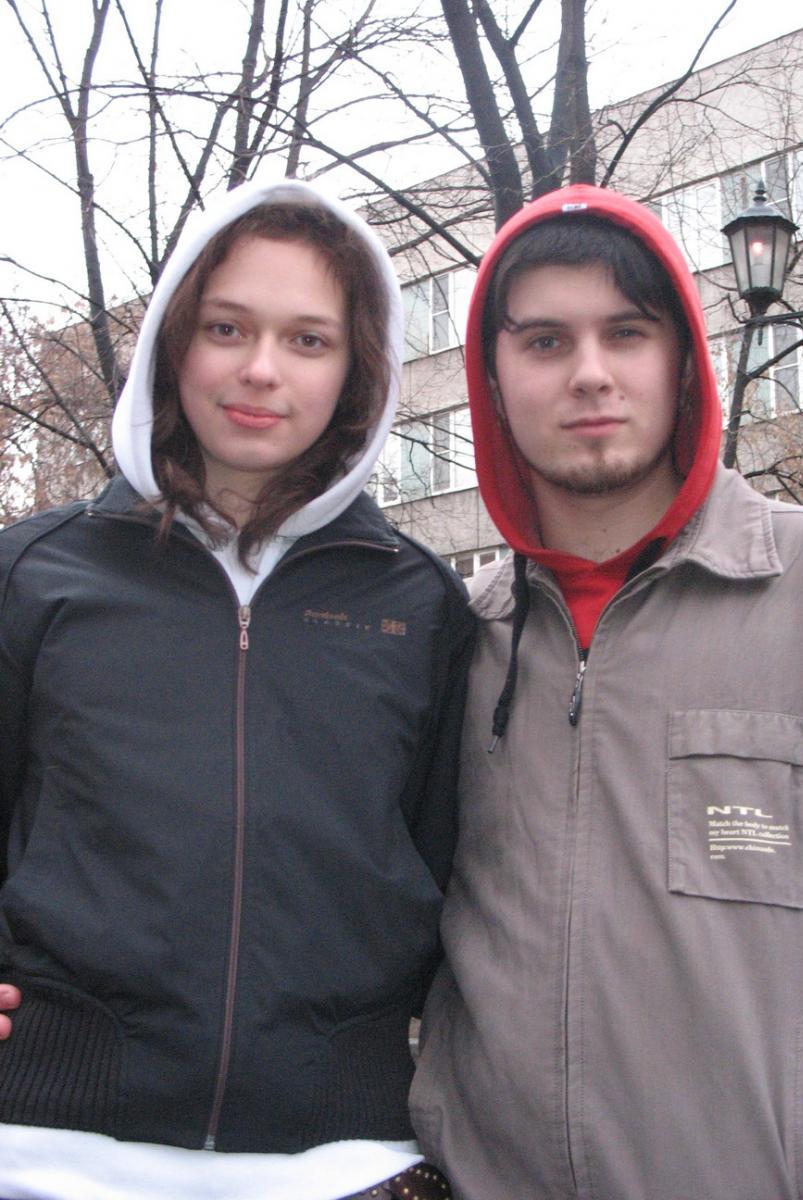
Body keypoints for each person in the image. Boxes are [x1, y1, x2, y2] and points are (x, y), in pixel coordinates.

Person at [408, 184, 803, 1199]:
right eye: (545, 342)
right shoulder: (460, 642)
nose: (590, 372)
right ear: (492, 381)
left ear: (681, 363)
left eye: (626, 333)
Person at [0, 178, 471, 1199]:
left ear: (357, 369)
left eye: (308, 340)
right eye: (227, 328)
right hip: (48, 1151)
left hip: (343, 1161)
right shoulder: (34, 573)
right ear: (175, 343)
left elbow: (442, 857)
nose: (262, 369)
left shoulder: (421, 604)